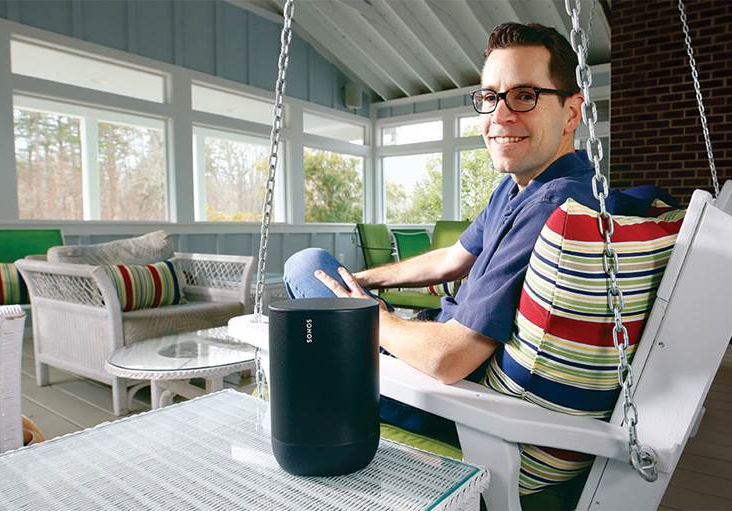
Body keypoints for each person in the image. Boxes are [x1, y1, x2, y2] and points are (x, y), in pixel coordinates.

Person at [283, 22, 674, 439]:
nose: (500, 115)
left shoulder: (551, 206)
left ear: (571, 112)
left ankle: (316, 398)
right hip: (431, 344)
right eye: (490, 97)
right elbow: (453, 259)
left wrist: (370, 317)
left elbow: (448, 359)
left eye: (525, 95)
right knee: (324, 282)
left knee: (305, 266)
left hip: (450, 401)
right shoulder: (521, 186)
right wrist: (362, 281)